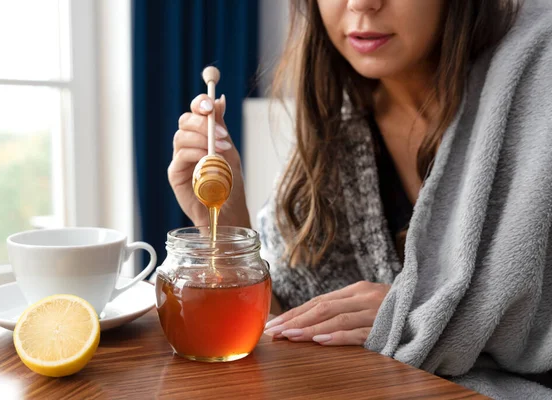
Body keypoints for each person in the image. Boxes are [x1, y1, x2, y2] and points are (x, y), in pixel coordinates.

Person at [169, 0, 552, 397]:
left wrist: (421, 316)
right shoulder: (333, 140)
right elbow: (287, 332)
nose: (361, 3)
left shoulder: (541, 72)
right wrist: (227, 224)